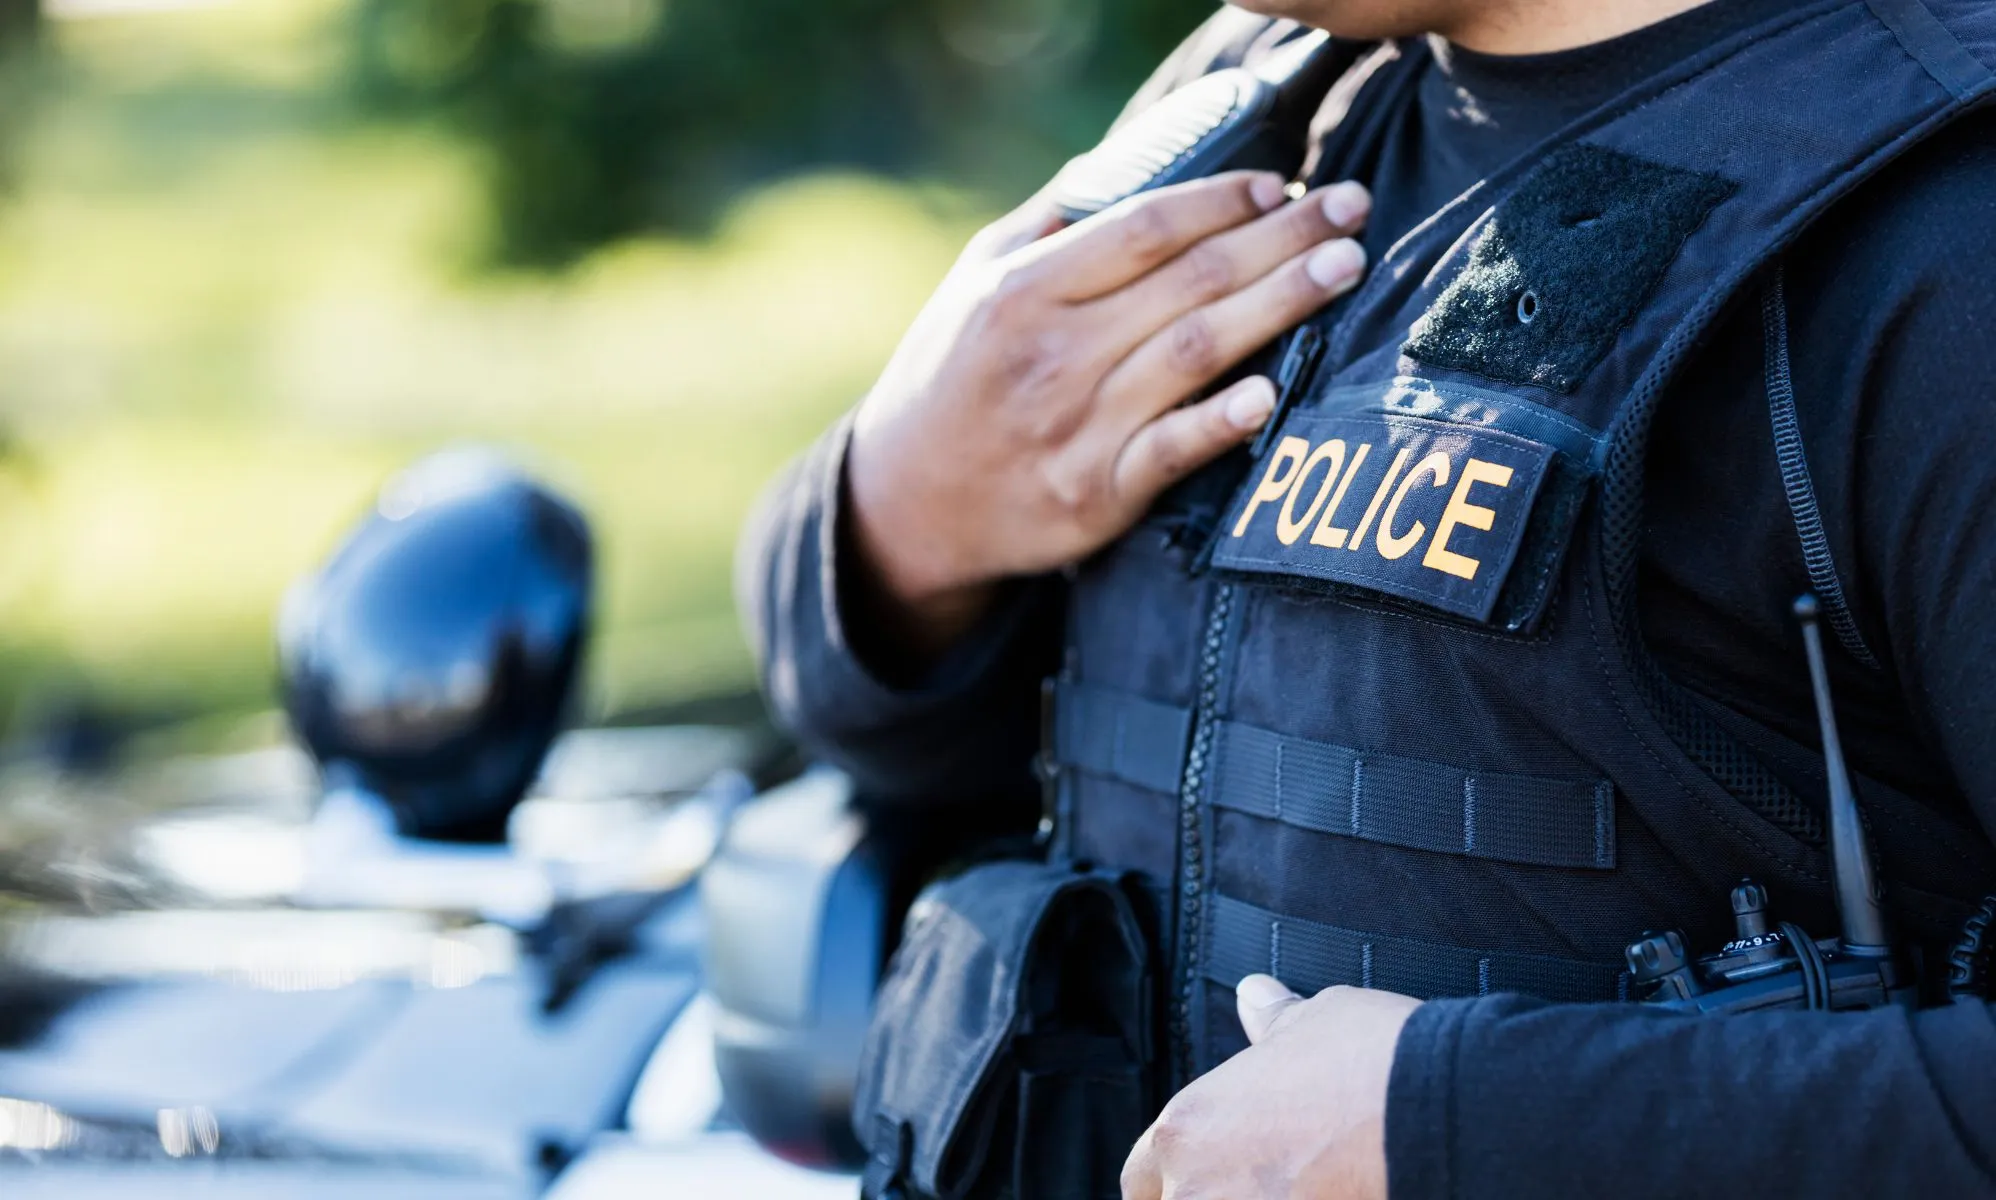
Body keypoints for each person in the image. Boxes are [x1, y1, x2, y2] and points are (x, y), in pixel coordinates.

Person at [739, 0, 1996, 1194]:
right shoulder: (1262, 89)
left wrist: (1476, 1130)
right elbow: (944, 753)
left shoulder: (1946, 229)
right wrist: (896, 520)